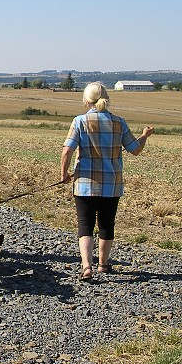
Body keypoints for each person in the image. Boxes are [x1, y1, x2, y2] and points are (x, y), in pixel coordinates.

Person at [61, 82, 154, 281]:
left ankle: (87, 266)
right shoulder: (119, 122)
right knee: (106, 225)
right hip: (112, 184)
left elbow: (67, 150)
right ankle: (103, 264)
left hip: (85, 183)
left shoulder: (80, 121)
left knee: (85, 225)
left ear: (86, 100)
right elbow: (135, 149)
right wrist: (144, 136)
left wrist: (64, 174)